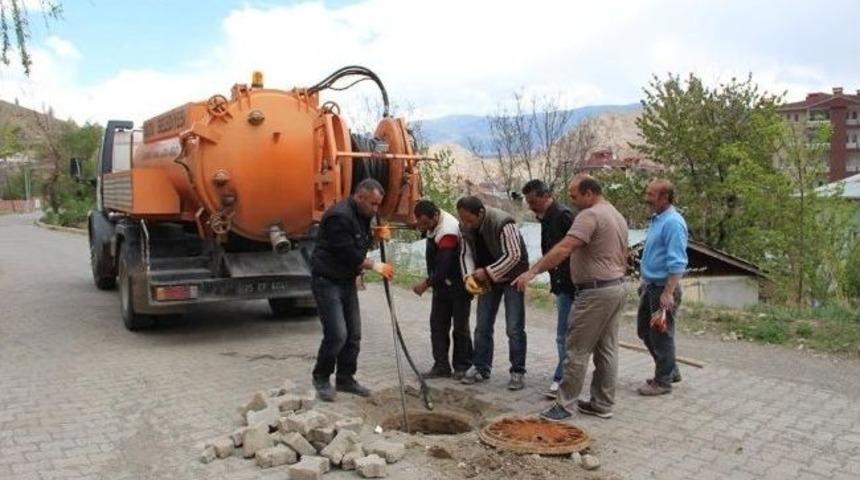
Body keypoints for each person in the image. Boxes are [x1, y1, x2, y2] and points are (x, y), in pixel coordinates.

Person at [513, 175, 628, 420]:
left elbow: (564, 248)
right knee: (606, 349)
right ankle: (602, 403)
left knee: (576, 349)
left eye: (575, 196)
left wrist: (532, 271)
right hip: (615, 287)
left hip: (595, 292)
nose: (572, 201)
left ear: (589, 193)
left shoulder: (590, 215)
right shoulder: (615, 214)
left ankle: (564, 406)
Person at [309, 178, 394, 402]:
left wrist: (376, 237)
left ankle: (346, 378)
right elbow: (348, 254)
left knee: (353, 335)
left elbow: (360, 244)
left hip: (346, 281)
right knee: (337, 334)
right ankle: (321, 377)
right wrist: (376, 265)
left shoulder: (363, 215)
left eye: (378, 205)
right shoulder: (339, 217)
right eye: (373, 204)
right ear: (360, 197)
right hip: (327, 280)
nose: (375, 209)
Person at [456, 196, 529, 390]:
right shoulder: (464, 228)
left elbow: (514, 255)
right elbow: (465, 254)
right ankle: (481, 367)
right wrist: (468, 277)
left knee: (514, 327)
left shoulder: (503, 223)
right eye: (462, 219)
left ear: (480, 213)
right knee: (482, 325)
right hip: (487, 278)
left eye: (469, 220)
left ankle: (517, 372)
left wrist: (488, 272)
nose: (466, 224)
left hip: (512, 276)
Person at [521, 179, 577, 399]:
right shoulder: (546, 217)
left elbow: (568, 250)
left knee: (564, 335)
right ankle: (566, 375)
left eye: (533, 202)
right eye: (528, 202)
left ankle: (562, 379)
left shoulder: (563, 216)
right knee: (566, 334)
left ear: (545, 196)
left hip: (571, 284)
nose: (531, 207)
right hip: (561, 282)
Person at [636, 179, 688, 396]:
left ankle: (663, 381)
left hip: (663, 289)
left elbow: (677, 261)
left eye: (651, 194)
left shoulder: (673, 223)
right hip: (651, 286)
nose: (647, 198)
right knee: (644, 331)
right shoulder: (658, 219)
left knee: (661, 335)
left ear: (665, 197)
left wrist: (668, 292)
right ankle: (670, 369)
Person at [411, 200, 473, 380]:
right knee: (437, 326)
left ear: (436, 216)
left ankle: (462, 365)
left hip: (458, 283)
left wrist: (425, 284)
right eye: (420, 222)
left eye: (425, 223)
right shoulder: (432, 222)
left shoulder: (448, 232)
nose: (423, 227)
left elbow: (444, 266)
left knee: (460, 327)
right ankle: (441, 366)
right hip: (441, 285)